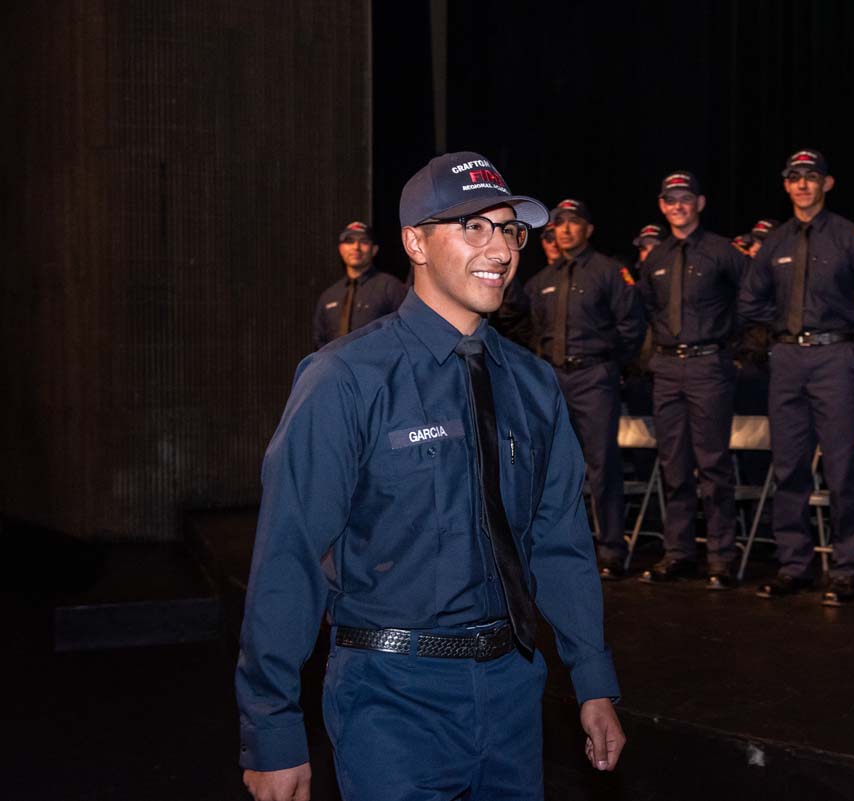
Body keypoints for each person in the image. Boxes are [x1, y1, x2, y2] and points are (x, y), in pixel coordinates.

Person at [237, 152, 625, 801]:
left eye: (510, 230)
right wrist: (271, 726)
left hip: (513, 692)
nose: (501, 249)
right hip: (390, 698)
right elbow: (288, 555)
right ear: (415, 243)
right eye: (474, 227)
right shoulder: (345, 379)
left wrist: (592, 679)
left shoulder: (533, 385)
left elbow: (559, 541)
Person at [738, 148, 854, 605]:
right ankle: (794, 566)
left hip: (835, 358)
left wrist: (847, 320)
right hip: (787, 359)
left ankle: (846, 568)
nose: (803, 184)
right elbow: (749, 300)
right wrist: (781, 326)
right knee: (788, 465)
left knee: (842, 465)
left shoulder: (849, 236)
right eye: (795, 177)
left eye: (811, 176)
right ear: (786, 185)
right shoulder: (775, 242)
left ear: (827, 183)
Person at [526, 199, 646, 580]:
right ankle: (558, 547)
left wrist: (609, 364)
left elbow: (632, 325)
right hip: (554, 379)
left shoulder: (608, 271)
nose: (564, 229)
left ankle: (611, 548)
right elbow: (534, 332)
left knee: (601, 465)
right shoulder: (542, 280)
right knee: (554, 467)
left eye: (573, 222)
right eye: (558, 223)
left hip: (594, 377)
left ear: (588, 229)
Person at [636, 171, 746, 590]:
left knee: (713, 465)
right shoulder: (656, 258)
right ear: (662, 206)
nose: (678, 206)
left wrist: (732, 345)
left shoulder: (722, 251)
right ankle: (678, 552)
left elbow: (752, 298)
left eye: (686, 198)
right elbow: (648, 308)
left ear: (699, 203)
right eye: (671, 200)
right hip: (667, 368)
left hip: (708, 364)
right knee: (674, 465)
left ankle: (721, 557)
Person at [312, 222, 407, 350]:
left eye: (364, 242)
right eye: (349, 241)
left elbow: (406, 332)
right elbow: (319, 340)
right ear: (340, 249)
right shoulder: (329, 295)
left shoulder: (390, 287)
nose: (356, 247)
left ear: (374, 250)